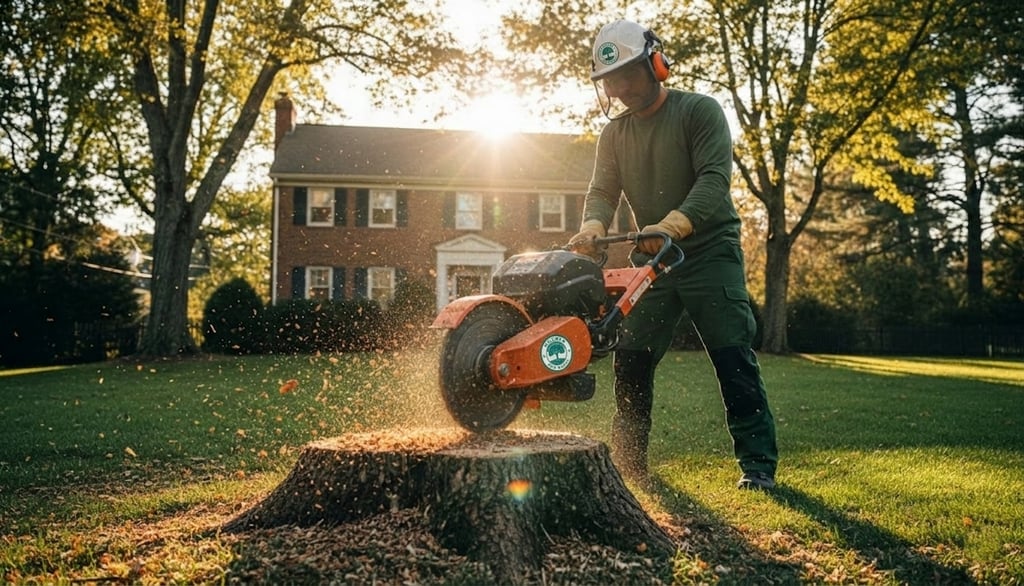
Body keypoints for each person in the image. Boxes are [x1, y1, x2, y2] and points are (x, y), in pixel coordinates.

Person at [569, 19, 778, 490]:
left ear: (655, 63)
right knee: (632, 357)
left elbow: (713, 181)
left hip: (709, 251)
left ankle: (757, 465)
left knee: (732, 355)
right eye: (611, 81)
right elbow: (602, 190)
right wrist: (591, 227)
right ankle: (629, 465)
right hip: (654, 260)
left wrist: (671, 224)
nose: (621, 88)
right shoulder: (614, 135)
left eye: (628, 74)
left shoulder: (698, 112)